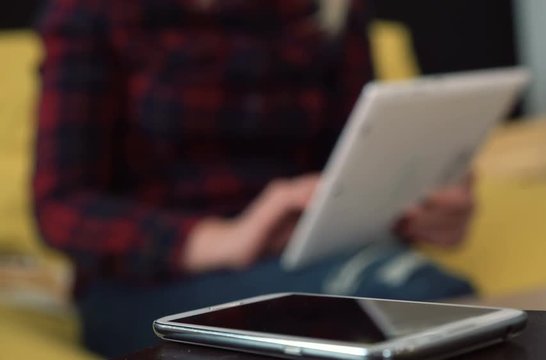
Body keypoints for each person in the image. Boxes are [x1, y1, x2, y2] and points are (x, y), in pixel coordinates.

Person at [33, 0, 475, 357]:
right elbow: (61, 203)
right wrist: (221, 239)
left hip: (307, 259)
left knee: (423, 304)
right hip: (149, 281)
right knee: (401, 301)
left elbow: (347, 166)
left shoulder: (328, 11)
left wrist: (408, 206)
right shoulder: (94, 13)